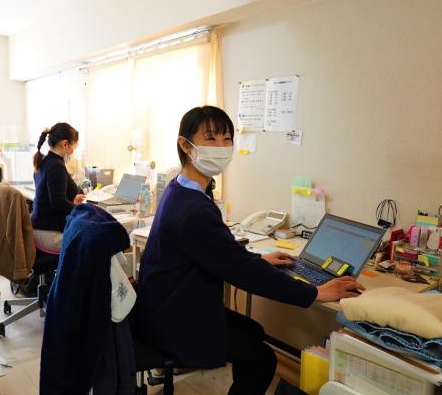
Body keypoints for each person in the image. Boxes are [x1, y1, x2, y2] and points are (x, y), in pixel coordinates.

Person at [135, 106, 364, 394]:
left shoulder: (181, 189)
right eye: (211, 138)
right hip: (174, 319)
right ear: (185, 144)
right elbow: (243, 272)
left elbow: (221, 255)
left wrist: (260, 259)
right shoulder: (193, 209)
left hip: (166, 306)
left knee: (253, 332)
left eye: (227, 139)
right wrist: (315, 292)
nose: (222, 147)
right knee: (262, 359)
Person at [31, 122, 85, 232]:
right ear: (65, 144)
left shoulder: (45, 161)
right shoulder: (56, 166)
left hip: (40, 222)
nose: (73, 152)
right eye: (74, 148)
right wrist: (80, 208)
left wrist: (72, 202)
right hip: (49, 226)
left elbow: (53, 197)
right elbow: (58, 204)